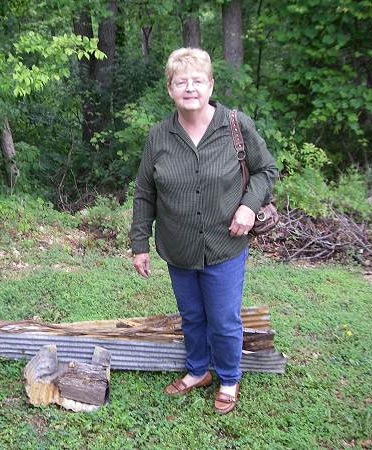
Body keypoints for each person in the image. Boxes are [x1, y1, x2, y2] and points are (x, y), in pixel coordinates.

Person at [130, 48, 278, 414]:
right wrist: (139, 244)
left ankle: (228, 377)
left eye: (198, 81)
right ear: (170, 90)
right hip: (178, 248)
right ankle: (198, 371)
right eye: (182, 82)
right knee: (192, 315)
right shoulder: (158, 137)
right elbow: (144, 191)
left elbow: (266, 171)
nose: (190, 88)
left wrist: (248, 206)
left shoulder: (235, 125)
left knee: (224, 318)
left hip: (225, 244)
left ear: (211, 84)